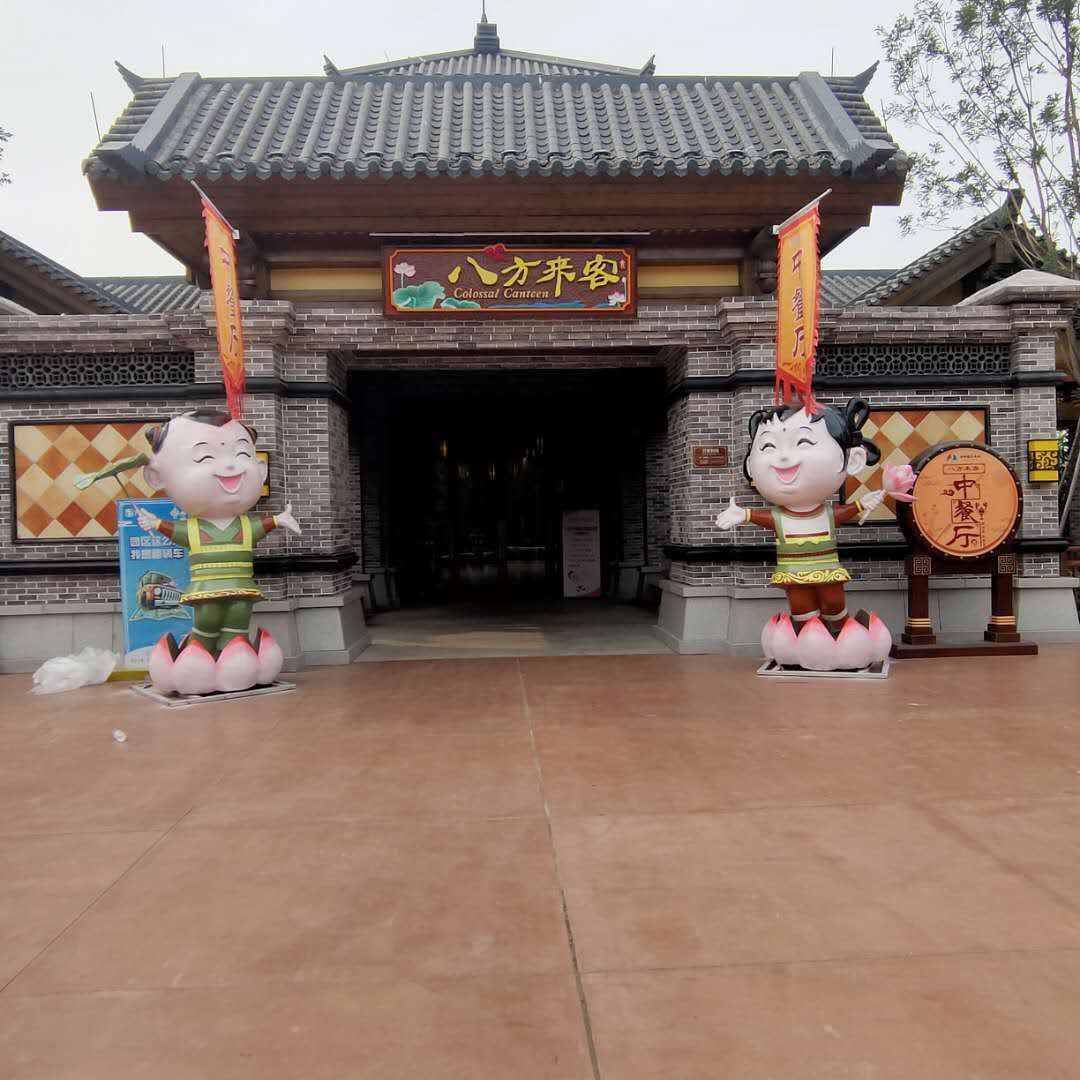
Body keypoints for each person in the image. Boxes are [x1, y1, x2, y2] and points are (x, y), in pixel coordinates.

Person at [76, 409, 300, 693]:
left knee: (238, 619)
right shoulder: (193, 528)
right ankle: (199, 655)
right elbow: (177, 532)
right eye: (205, 457)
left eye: (242, 454)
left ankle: (233, 655)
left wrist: (280, 519)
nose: (229, 467)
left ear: (261, 470)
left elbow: (261, 526)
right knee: (207, 620)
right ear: (157, 477)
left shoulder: (244, 525)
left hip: (242, 586)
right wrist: (155, 523)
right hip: (206, 588)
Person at [715, 397, 892, 637]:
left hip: (828, 568)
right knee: (801, 608)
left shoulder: (825, 514)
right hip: (793, 571)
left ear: (853, 460)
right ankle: (807, 639)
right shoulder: (779, 516)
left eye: (803, 442)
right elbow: (768, 518)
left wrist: (862, 503)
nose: (784, 457)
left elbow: (841, 513)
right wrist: (744, 514)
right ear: (750, 466)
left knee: (834, 604)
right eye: (769, 447)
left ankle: (841, 635)